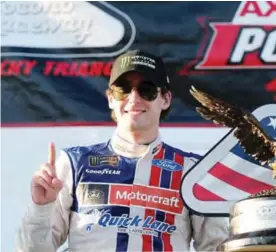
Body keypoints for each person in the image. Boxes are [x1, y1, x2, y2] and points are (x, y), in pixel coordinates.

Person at [16, 50, 229, 252]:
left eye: (146, 90)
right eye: (123, 89)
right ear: (110, 98)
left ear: (165, 99)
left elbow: (217, 246)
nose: (134, 98)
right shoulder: (74, 163)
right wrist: (41, 208)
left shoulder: (194, 171)